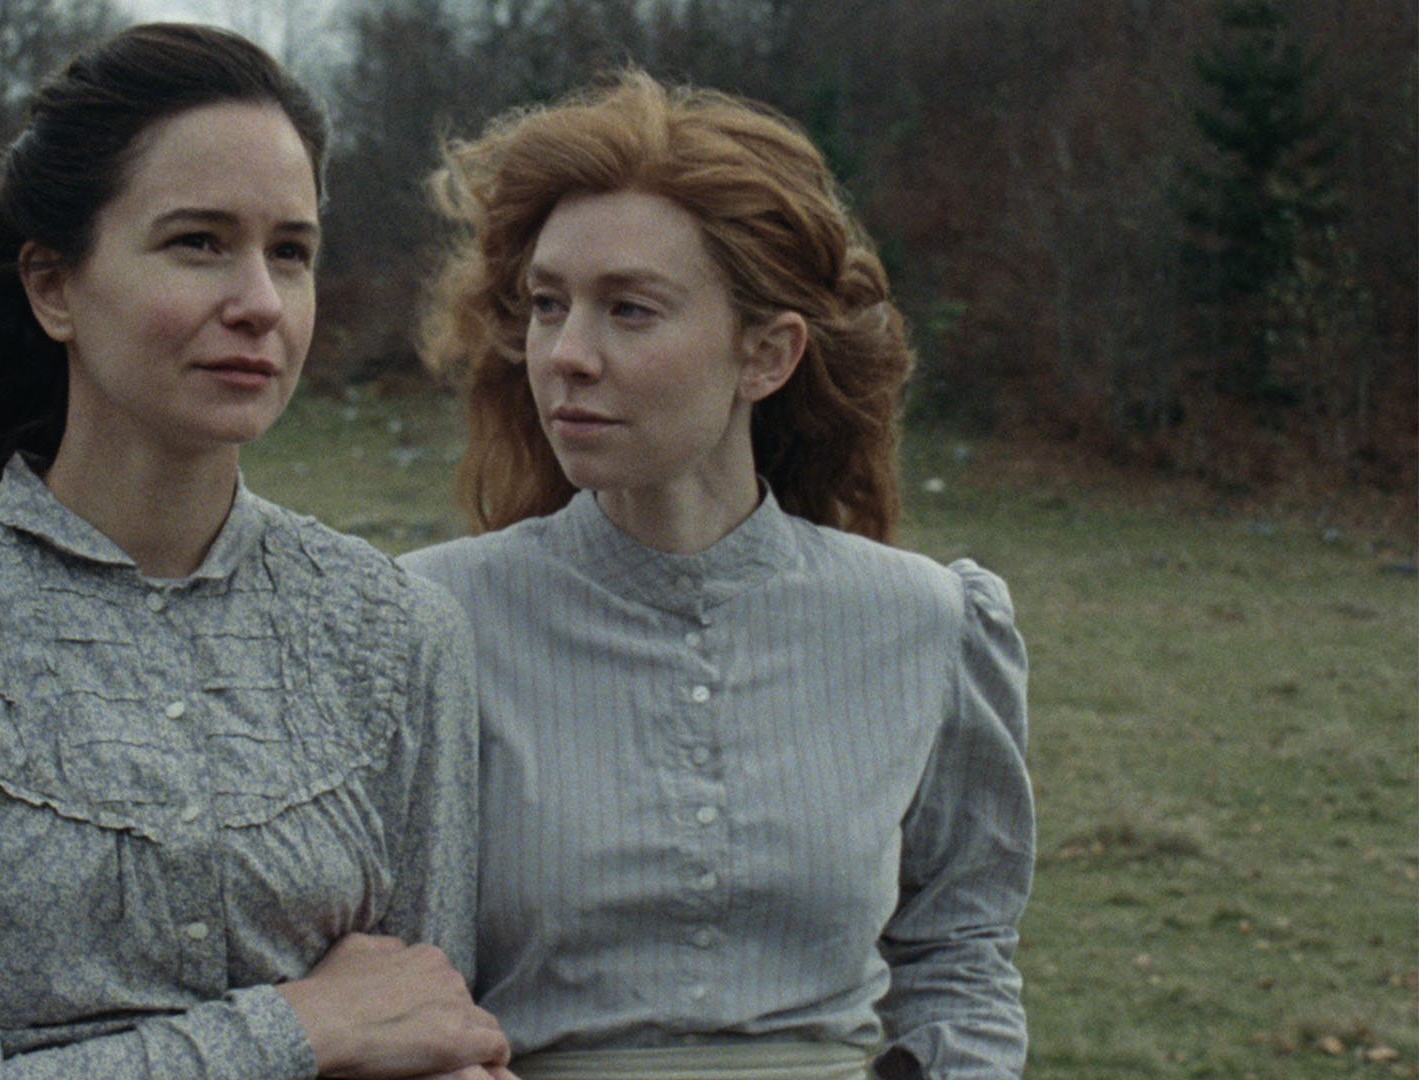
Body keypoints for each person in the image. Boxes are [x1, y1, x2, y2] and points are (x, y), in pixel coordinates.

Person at [0, 23, 512, 1079]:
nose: (258, 302)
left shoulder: (398, 631)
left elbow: (430, 1038)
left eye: (290, 252)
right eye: (198, 242)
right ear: (54, 285)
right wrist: (294, 1030)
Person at [401, 71, 1033, 1080]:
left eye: (630, 310)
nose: (565, 353)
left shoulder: (929, 622)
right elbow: (400, 984)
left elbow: (959, 951)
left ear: (766, 355)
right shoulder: (430, 620)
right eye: (548, 305)